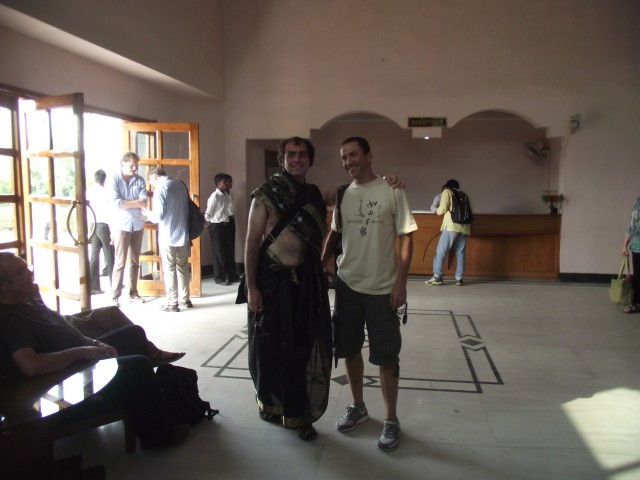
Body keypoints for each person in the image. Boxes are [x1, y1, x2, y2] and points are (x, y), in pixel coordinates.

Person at [0, 253, 188, 449]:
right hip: (70, 375)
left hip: (83, 356)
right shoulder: (9, 319)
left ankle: (149, 403)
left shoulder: (29, 300)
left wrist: (96, 344)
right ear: (4, 285)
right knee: (139, 365)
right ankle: (158, 437)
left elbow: (65, 330)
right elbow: (30, 366)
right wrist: (83, 352)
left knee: (133, 334)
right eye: (21, 271)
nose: (30, 273)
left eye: (27, 267)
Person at [321, 136, 417, 452]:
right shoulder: (343, 193)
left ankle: (391, 419)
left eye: (353, 155)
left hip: (382, 288)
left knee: (387, 355)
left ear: (368, 155)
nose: (348, 161)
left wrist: (401, 283)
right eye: (343, 157)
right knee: (349, 348)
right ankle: (358, 406)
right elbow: (334, 232)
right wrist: (322, 263)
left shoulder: (392, 189)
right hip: (347, 285)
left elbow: (406, 237)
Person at [244, 136, 334, 441]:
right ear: (282, 159)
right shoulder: (265, 195)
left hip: (305, 282)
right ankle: (270, 402)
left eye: (302, 154)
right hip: (271, 282)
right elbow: (251, 242)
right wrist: (252, 287)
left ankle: (298, 415)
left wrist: (386, 181)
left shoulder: (314, 193)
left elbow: (348, 192)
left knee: (301, 347)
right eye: (291, 154)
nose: (297, 159)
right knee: (268, 346)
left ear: (310, 159)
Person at [144, 168, 192, 312]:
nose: (152, 186)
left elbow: (158, 216)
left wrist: (147, 213)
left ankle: (172, 302)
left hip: (168, 236)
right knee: (183, 268)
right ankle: (185, 299)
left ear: (154, 177)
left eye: (151, 183)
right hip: (183, 234)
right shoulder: (180, 185)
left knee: (170, 269)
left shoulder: (161, 189)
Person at [108, 152, 148, 307]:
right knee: (120, 261)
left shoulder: (140, 180)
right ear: (122, 164)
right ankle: (115, 295)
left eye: (136, 165)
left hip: (137, 224)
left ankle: (133, 292)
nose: (135, 168)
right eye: (131, 165)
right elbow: (116, 203)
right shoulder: (114, 179)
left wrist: (128, 203)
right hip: (121, 225)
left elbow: (144, 202)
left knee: (135, 261)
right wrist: (135, 202)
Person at [425, 179, 471, 286]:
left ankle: (437, 277)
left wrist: (436, 210)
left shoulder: (447, 192)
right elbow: (470, 210)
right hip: (465, 227)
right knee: (460, 253)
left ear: (448, 186)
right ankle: (459, 278)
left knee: (441, 251)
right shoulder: (464, 194)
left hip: (451, 226)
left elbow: (442, 209)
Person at [205, 173, 239, 286]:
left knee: (230, 250)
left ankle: (232, 275)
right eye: (226, 182)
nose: (229, 184)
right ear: (218, 183)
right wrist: (208, 222)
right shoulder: (215, 196)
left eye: (230, 181)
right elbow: (208, 213)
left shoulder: (229, 194)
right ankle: (220, 277)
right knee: (219, 252)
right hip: (217, 225)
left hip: (229, 223)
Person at [87, 169, 115, 295]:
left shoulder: (89, 191)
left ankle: (93, 286)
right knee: (109, 254)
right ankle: (114, 283)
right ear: (104, 180)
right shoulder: (105, 192)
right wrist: (112, 229)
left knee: (94, 255)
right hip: (104, 225)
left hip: (93, 224)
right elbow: (109, 212)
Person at [622, 197, 640, 313]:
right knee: (638, 276)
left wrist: (624, 245)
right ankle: (637, 303)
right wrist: (624, 245)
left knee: (638, 276)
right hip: (638, 248)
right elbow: (631, 229)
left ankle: (637, 304)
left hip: (637, 248)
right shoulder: (638, 206)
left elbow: (631, 229)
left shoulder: (637, 207)